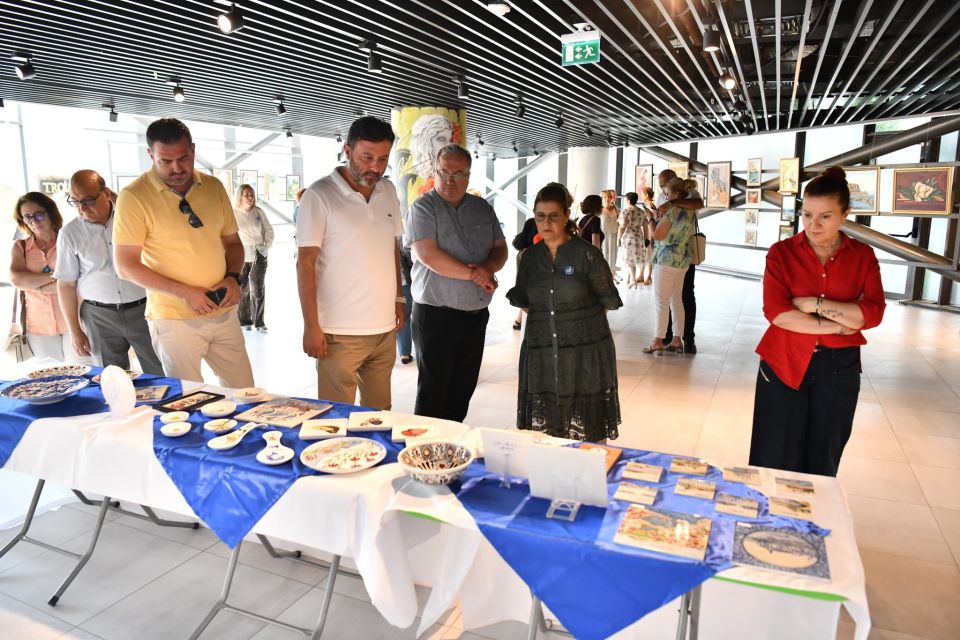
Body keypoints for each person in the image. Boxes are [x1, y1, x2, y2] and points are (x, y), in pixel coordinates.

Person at [749, 167, 885, 477]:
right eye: (807, 215)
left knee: (823, 459)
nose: (813, 225)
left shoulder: (862, 256)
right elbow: (778, 314)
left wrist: (816, 305)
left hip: (840, 367)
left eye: (825, 216)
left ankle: (814, 510)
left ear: (845, 215)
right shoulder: (782, 254)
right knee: (774, 456)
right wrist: (841, 324)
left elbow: (873, 314)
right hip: (784, 362)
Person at [113, 118, 254, 388]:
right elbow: (125, 266)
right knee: (188, 397)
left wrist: (233, 277)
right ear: (150, 155)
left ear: (193, 149)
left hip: (223, 310)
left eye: (184, 158)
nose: (177, 168)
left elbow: (233, 243)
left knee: (245, 391)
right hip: (174, 317)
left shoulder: (213, 186)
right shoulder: (134, 196)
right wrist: (185, 292)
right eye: (165, 161)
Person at [297, 116, 403, 409]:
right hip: (338, 331)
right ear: (347, 150)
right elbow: (305, 263)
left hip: (383, 328)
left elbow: (392, 248)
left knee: (380, 414)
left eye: (383, 159)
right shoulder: (319, 195)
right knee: (336, 416)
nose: (375, 167)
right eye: (367, 157)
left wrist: (398, 297)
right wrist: (311, 326)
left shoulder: (388, 191)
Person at [508, 183, 622, 442]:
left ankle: (592, 465)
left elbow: (606, 299)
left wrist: (574, 321)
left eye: (553, 216)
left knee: (589, 424)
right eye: (540, 216)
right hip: (542, 348)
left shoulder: (587, 254)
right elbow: (524, 300)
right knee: (548, 423)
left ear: (567, 215)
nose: (546, 223)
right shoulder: (529, 258)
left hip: (584, 350)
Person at [405, 144, 507, 422]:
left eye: (458, 173)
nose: (449, 179)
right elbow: (428, 255)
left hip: (475, 317)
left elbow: (500, 248)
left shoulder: (482, 208)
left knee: (462, 391)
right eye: (443, 172)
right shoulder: (423, 207)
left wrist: (489, 267)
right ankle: (425, 447)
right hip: (436, 317)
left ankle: (451, 444)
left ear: (468, 175)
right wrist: (477, 275)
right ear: (435, 172)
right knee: (433, 396)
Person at [55, 170, 163, 374]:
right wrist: (75, 330)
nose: (82, 208)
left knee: (161, 371)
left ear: (105, 194)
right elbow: (66, 284)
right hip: (99, 316)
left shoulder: (132, 219)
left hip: (145, 308)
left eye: (88, 200)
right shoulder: (69, 233)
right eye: (75, 201)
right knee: (112, 378)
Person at [9, 193, 80, 362]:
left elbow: (79, 280)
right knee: (48, 375)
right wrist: (58, 277)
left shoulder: (68, 241)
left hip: (74, 322)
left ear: (50, 213)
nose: (34, 221)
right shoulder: (21, 247)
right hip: (38, 326)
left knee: (80, 371)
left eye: (38, 215)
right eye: (27, 217)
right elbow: (17, 280)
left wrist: (36, 286)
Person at [644, 177, 695, 355]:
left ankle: (658, 340)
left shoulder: (673, 211)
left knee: (661, 302)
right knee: (676, 300)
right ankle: (677, 339)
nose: (665, 197)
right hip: (682, 259)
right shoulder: (690, 211)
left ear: (675, 193)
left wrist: (651, 219)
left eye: (667, 193)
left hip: (666, 259)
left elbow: (657, 235)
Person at [656, 169, 703, 353]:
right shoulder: (662, 197)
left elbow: (697, 203)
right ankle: (670, 335)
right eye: (661, 186)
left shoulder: (691, 194)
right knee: (672, 298)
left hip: (683, 253)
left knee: (685, 295)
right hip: (671, 252)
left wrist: (672, 202)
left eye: (664, 186)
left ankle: (687, 337)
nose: (662, 190)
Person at [233, 184, 274, 332]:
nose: (250, 197)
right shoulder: (233, 213)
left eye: (252, 194)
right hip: (241, 254)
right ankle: (244, 321)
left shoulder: (258, 211)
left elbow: (269, 230)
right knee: (243, 288)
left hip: (259, 253)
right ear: (239, 196)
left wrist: (266, 247)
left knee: (258, 288)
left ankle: (259, 322)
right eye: (247, 195)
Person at [511, 215, 539, 330]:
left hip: (523, 256)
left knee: (525, 290)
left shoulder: (530, 221)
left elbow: (523, 239)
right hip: (533, 259)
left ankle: (519, 320)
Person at [617, 192, 647, 290]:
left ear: (628, 200)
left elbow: (622, 226)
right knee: (634, 258)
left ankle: (633, 281)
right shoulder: (641, 211)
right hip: (639, 236)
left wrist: (618, 238)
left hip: (628, 236)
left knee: (629, 259)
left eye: (625, 199)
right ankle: (630, 280)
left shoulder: (625, 211)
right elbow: (645, 225)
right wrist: (646, 238)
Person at [397, 237, 414, 364]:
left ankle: (386, 353)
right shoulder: (401, 237)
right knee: (405, 317)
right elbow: (411, 258)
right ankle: (404, 353)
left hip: (384, 285)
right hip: (404, 284)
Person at [637, 187, 657, 285]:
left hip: (649, 229)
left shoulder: (651, 205)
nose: (641, 195)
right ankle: (641, 274)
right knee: (643, 253)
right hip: (644, 230)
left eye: (642, 193)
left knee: (649, 252)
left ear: (647, 195)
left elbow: (654, 218)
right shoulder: (645, 205)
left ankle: (648, 276)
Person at [600, 189, 620, 280]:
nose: (607, 199)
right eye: (604, 197)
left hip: (614, 234)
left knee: (613, 254)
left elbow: (620, 222)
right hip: (603, 235)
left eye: (608, 197)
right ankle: (604, 274)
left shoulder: (616, 209)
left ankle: (612, 274)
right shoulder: (599, 210)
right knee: (604, 254)